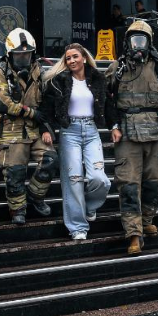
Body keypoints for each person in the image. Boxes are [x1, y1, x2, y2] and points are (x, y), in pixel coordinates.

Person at [106, 20, 158, 255]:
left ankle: (145, 219)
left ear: (149, 43)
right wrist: (112, 123)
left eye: (142, 40)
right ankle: (133, 234)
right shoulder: (116, 68)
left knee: (156, 179)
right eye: (134, 40)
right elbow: (104, 100)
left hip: (154, 132)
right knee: (129, 185)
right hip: (127, 134)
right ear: (127, 42)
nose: (138, 45)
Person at [41, 43, 110, 240]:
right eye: (68, 58)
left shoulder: (97, 78)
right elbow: (47, 107)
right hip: (68, 132)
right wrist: (47, 129)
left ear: (84, 58)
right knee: (73, 180)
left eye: (75, 57)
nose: (71, 60)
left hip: (91, 130)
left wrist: (114, 127)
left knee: (100, 179)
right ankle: (78, 228)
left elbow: (108, 103)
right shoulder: (59, 81)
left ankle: (89, 206)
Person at [0, 28, 57, 225]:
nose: (23, 59)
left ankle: (35, 196)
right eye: (18, 55)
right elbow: (2, 101)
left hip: (35, 129)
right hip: (11, 131)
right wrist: (30, 112)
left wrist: (46, 127)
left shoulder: (39, 72)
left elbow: (46, 101)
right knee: (14, 173)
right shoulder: (1, 73)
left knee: (51, 159)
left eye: (26, 55)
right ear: (10, 55)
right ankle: (18, 209)